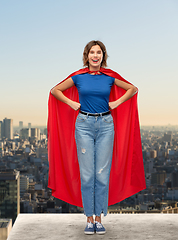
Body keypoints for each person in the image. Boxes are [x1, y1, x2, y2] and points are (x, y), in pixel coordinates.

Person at [48, 40, 145, 235]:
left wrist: (117, 102)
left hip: (106, 126)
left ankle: (99, 219)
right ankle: (89, 219)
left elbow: (133, 89)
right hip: (83, 125)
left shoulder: (109, 77)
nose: (95, 56)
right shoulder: (78, 76)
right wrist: (71, 103)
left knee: (101, 174)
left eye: (98, 52)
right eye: (92, 52)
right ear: (87, 55)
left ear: (103, 56)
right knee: (87, 175)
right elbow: (54, 90)